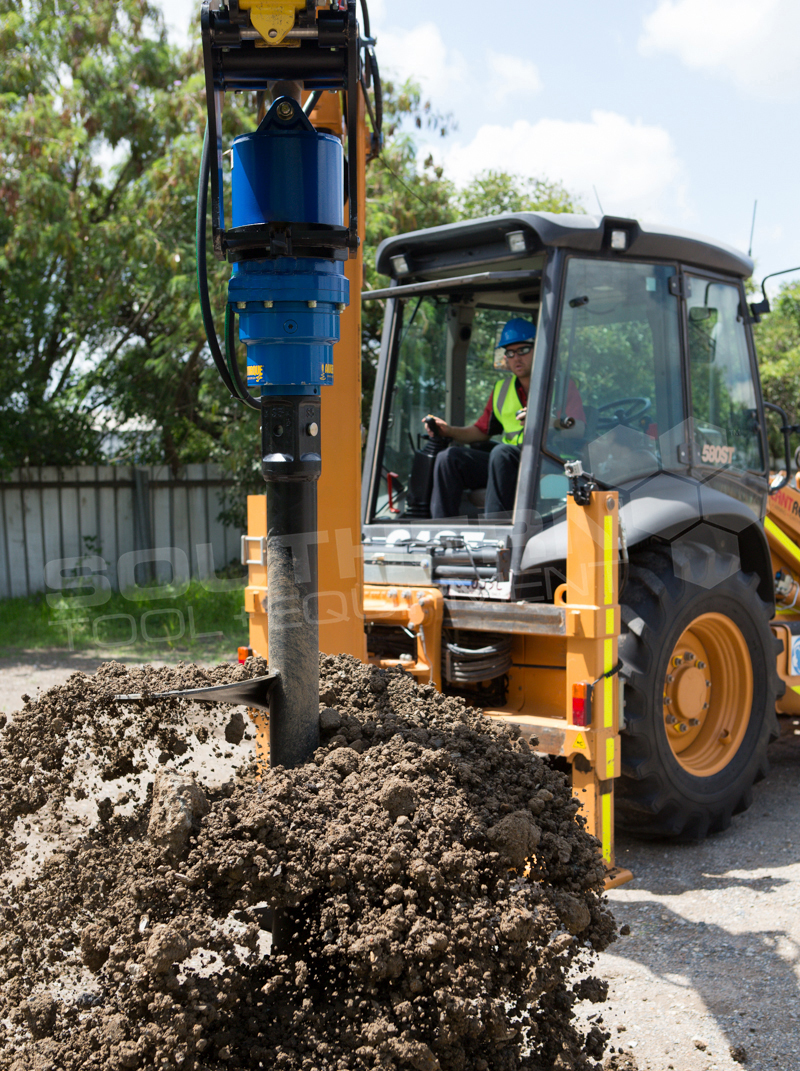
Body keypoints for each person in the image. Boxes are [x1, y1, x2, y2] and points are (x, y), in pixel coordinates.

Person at [424, 318, 585, 519]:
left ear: (540, 349)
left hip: (548, 461)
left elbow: (579, 429)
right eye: (510, 352)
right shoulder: (501, 390)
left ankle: (496, 532)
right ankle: (442, 529)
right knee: (448, 457)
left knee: (501, 453)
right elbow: (481, 432)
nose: (516, 358)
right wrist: (448, 431)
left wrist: (546, 422)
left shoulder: (562, 386)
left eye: (523, 350)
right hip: (510, 462)